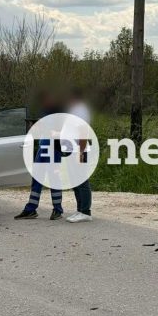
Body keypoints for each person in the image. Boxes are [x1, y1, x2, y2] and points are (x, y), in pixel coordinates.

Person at [14, 92, 63, 221]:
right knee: (37, 178)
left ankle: (58, 209)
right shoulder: (44, 111)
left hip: (54, 148)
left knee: (54, 178)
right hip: (43, 146)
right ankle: (31, 209)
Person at [65, 87, 93, 223]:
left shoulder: (80, 111)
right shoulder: (73, 111)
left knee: (82, 181)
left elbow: (83, 133)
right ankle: (79, 209)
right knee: (75, 182)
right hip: (72, 150)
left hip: (78, 151)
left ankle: (86, 211)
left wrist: (81, 152)